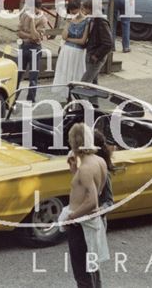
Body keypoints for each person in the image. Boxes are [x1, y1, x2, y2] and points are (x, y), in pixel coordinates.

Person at [64, 123, 109, 288]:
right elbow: (93, 189)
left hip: (81, 225)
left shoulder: (86, 169)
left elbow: (91, 202)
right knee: (93, 268)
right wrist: (74, 169)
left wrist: (71, 217)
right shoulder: (100, 161)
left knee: (82, 272)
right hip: (92, 223)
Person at [16, 0, 48, 101]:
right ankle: (13, 97)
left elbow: (36, 36)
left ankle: (31, 98)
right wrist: (30, 36)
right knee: (18, 74)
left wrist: (33, 21)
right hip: (24, 46)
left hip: (35, 48)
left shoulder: (43, 19)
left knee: (33, 76)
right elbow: (19, 32)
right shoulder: (25, 15)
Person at [53, 0, 89, 86]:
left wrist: (69, 39)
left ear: (80, 8)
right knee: (65, 74)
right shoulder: (70, 20)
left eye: (74, 10)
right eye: (71, 10)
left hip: (78, 51)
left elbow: (82, 41)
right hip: (66, 51)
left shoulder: (87, 21)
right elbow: (64, 36)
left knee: (76, 74)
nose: (72, 12)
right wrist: (68, 24)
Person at [80, 0, 114, 85]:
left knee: (85, 82)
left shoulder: (101, 22)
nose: (84, 11)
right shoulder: (94, 20)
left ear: (90, 9)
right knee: (93, 83)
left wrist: (96, 55)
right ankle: (93, 98)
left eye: (85, 9)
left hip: (96, 55)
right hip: (92, 52)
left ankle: (79, 98)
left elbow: (108, 43)